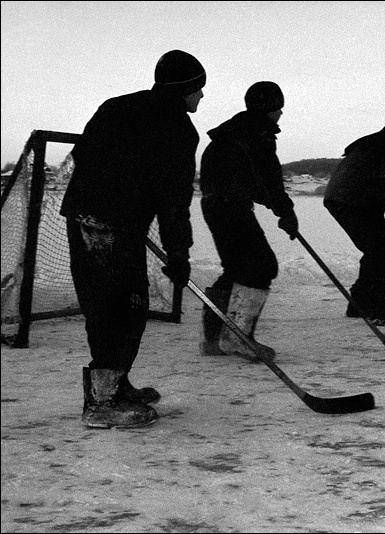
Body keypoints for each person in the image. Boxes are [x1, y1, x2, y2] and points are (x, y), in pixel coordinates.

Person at [60, 49, 206, 428]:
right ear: (186, 88)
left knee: (116, 304)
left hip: (85, 215)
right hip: (110, 222)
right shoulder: (179, 130)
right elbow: (174, 200)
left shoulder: (116, 106)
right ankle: (102, 403)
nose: (202, 97)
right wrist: (178, 252)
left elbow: (83, 153)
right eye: (199, 89)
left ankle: (116, 385)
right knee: (123, 307)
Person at [198, 81, 299, 361]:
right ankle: (238, 339)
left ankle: (214, 339)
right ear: (268, 108)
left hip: (215, 203)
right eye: (278, 108)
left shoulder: (233, 132)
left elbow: (254, 182)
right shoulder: (257, 134)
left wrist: (279, 208)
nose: (280, 114)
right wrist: (285, 212)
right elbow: (267, 179)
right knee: (261, 265)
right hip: (229, 205)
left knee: (235, 269)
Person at [323, 115, 385, 325]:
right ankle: (381, 307)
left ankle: (359, 304)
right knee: (383, 251)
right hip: (354, 200)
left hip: (344, 198)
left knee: (377, 250)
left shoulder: (382, 142)